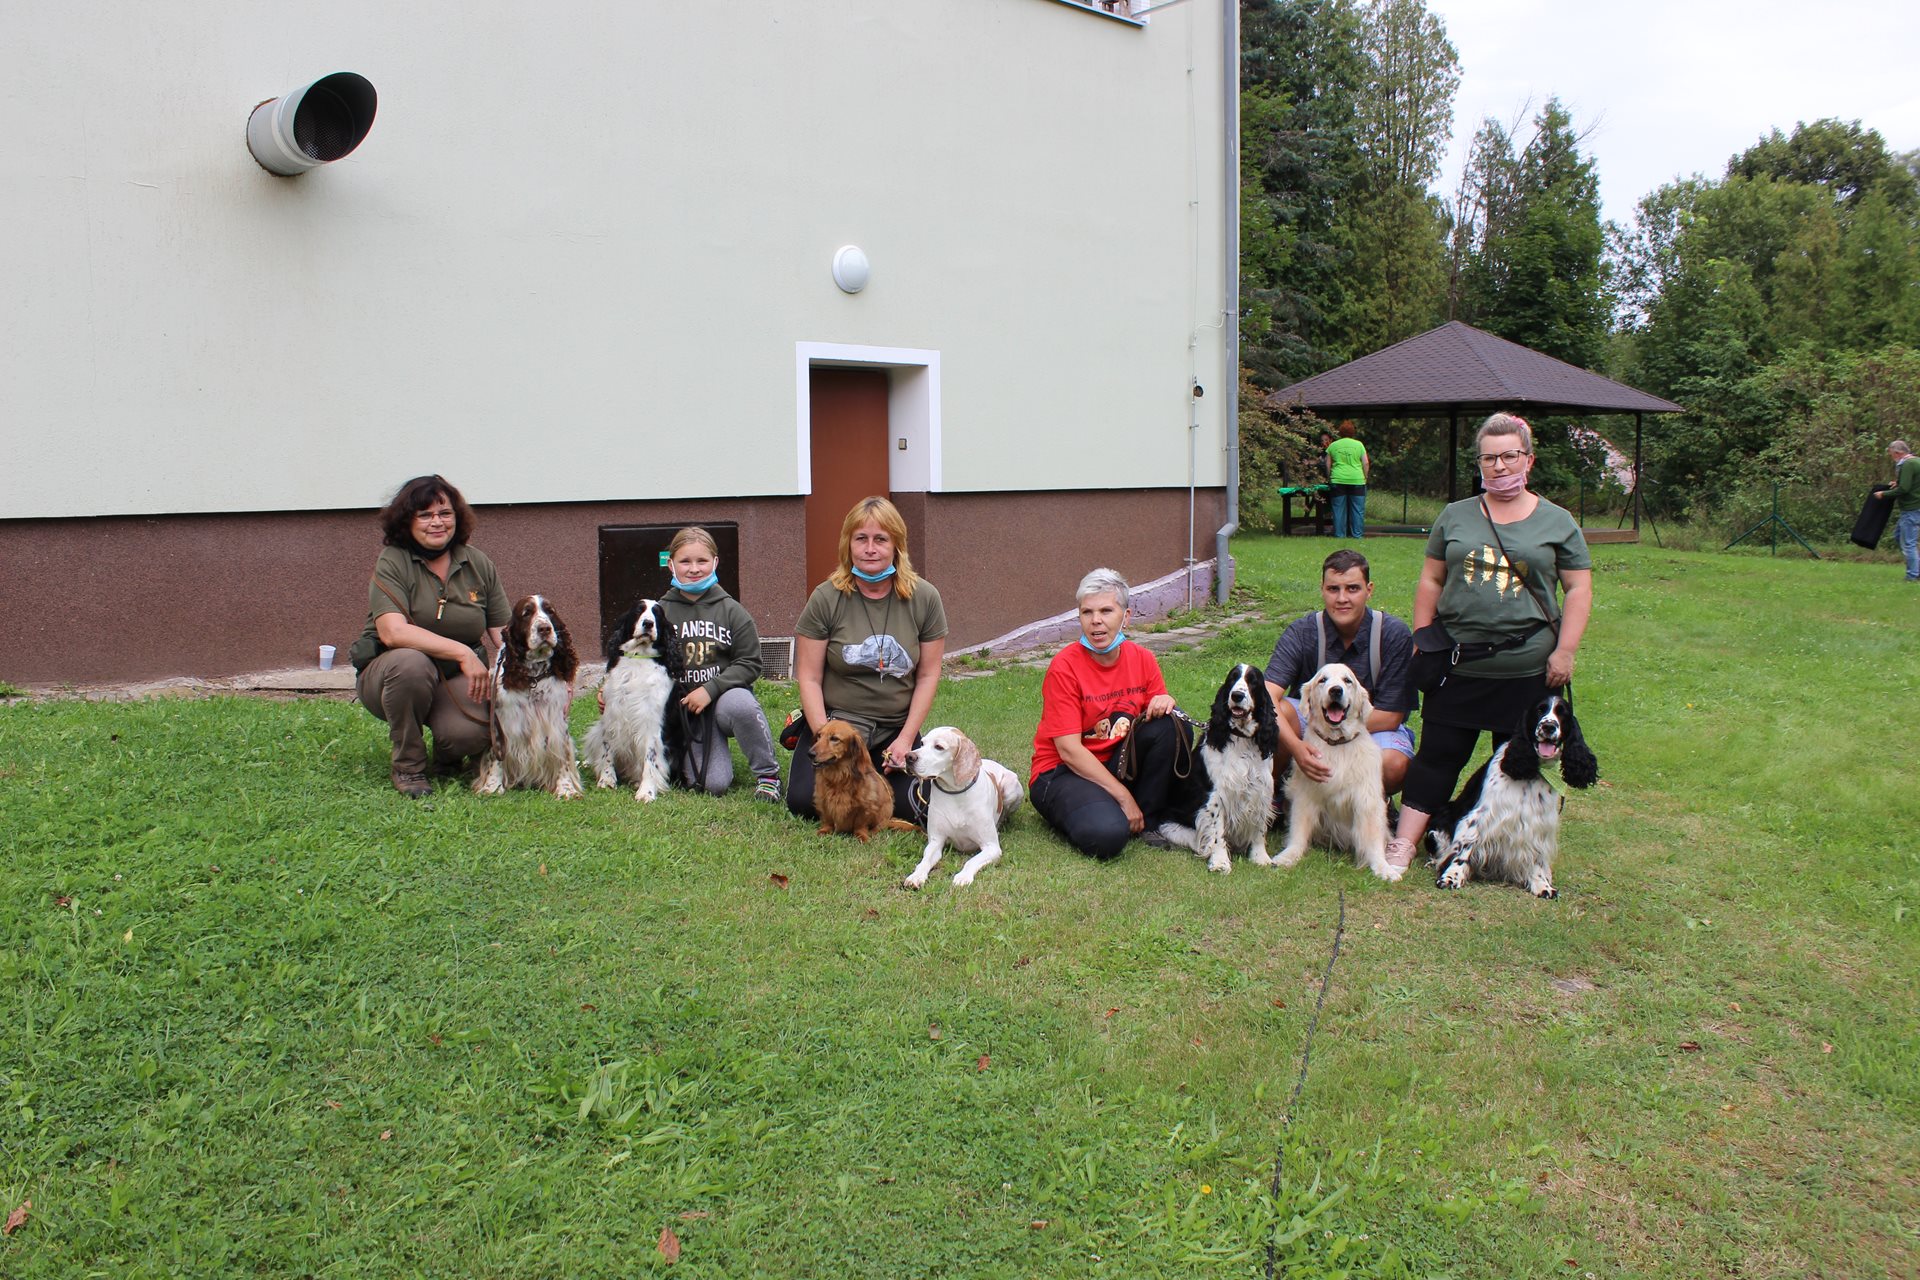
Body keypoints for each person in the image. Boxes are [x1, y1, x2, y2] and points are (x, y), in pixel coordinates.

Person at [1385, 412, 1593, 873]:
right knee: (1437, 758)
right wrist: (1423, 637)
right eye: (1488, 458)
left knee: (1521, 762)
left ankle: (1517, 850)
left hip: (1527, 669)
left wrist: (1565, 651)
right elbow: (1431, 579)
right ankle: (1403, 844)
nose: (1499, 466)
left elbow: (1578, 588)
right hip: (1458, 665)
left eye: (1509, 456)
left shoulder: (1557, 522)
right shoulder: (1454, 515)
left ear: (1528, 460)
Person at [349, 475, 510, 798]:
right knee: (411, 663)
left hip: (453, 678)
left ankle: (447, 756)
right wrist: (463, 652)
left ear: (457, 517)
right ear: (407, 521)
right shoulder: (393, 560)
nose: (437, 522)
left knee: (472, 734)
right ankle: (408, 766)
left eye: (445, 513)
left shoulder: (477, 562)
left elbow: (504, 634)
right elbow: (392, 632)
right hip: (392, 674)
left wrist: (548, 673)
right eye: (425, 515)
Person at [788, 497, 947, 821]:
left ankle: (874, 765)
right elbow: (809, 677)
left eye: (881, 539)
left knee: (913, 808)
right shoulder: (825, 598)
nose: (870, 549)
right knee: (805, 803)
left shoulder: (925, 598)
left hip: (894, 728)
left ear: (897, 545)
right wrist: (825, 738)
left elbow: (928, 675)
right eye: (861, 538)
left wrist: (905, 740)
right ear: (848, 544)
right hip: (839, 724)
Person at [1028, 568, 1186, 860]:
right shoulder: (1064, 667)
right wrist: (1124, 797)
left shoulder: (1143, 659)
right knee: (1107, 835)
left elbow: (1159, 728)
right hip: (1062, 771)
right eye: (1087, 612)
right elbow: (1069, 751)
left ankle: (1149, 819)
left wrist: (1165, 700)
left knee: (1172, 723)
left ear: (1126, 617)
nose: (1095, 620)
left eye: (1106, 611)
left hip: (1117, 763)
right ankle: (1103, 808)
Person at [1263, 548, 1416, 802]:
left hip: (1370, 726)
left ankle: (1373, 802)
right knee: (1277, 714)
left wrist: (1335, 735)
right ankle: (1274, 797)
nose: (1342, 598)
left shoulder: (1393, 634)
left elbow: (1390, 716)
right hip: (1312, 721)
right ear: (1322, 589)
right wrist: (1297, 747)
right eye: (1333, 589)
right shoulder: (1302, 631)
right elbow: (1267, 695)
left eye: (1353, 588)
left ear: (1369, 590)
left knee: (1393, 764)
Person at [657, 526, 784, 801]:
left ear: (715, 562)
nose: (694, 569)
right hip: (686, 711)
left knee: (742, 704)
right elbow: (642, 658)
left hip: (724, 700)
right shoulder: (659, 611)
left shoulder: (733, 611)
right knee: (713, 783)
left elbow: (750, 663)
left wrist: (710, 689)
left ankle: (768, 776)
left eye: (702, 560)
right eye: (685, 561)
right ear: (671, 564)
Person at [1875, 439, 1920, 582]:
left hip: (1912, 508)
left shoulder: (1907, 464)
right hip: (1914, 508)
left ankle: (1912, 576)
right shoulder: (1916, 461)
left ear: (1898, 453)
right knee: (1899, 536)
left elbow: (1904, 489)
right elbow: (1913, 483)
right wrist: (1897, 483)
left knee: (1908, 543)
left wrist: (1883, 494)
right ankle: (1916, 568)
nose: (1891, 457)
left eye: (1891, 454)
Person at [1326, 420, 1370, 539]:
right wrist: (1365, 477)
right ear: (1353, 432)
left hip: (1338, 480)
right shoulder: (1359, 445)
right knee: (1357, 509)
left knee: (1338, 509)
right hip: (1357, 480)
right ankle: (1357, 535)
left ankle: (1339, 534)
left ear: (1340, 432)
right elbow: (1365, 463)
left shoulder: (1333, 445)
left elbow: (1328, 465)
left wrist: (1329, 478)